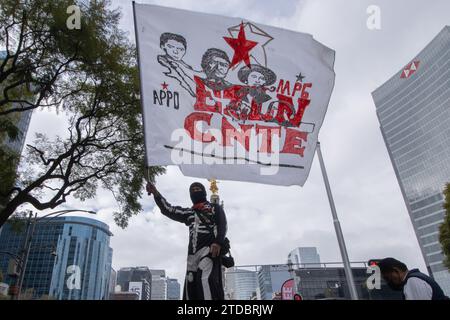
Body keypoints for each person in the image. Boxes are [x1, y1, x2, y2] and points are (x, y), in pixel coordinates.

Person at [146, 181, 227, 300]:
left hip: (208, 250)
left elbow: (222, 224)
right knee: (191, 284)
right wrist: (156, 193)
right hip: (192, 255)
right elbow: (169, 209)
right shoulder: (189, 212)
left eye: (197, 189)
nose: (195, 191)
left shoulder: (215, 208)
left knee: (206, 279)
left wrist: (218, 242)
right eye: (192, 190)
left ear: (204, 192)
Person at [378, 257, 449, 300]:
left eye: (387, 278)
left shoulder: (412, 281)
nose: (388, 282)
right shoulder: (418, 278)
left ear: (396, 271)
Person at [157, 32, 198, 97]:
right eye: (171, 47)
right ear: (163, 46)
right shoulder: (163, 63)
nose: (175, 52)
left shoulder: (186, 66)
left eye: (181, 49)